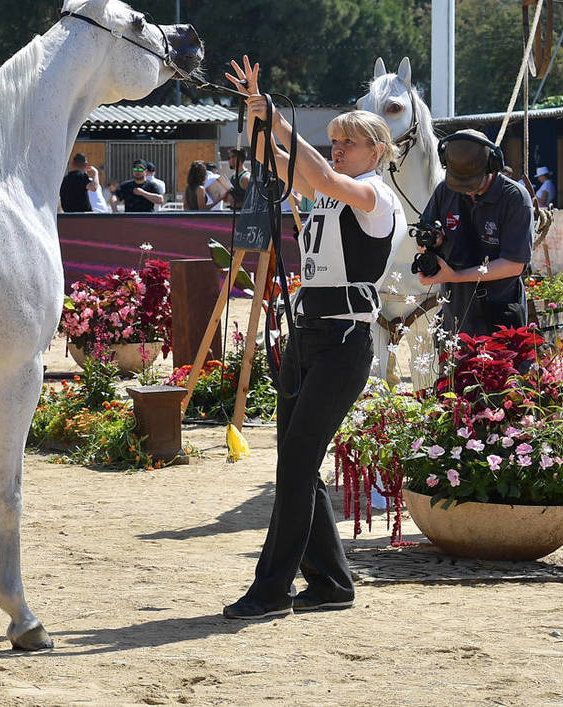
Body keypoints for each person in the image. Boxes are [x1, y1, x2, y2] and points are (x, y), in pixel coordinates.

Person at [220, 56, 401, 619]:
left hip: (345, 341)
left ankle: (272, 589)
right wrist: (255, 114)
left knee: (297, 463)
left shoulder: (374, 197)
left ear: (377, 151)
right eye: (334, 140)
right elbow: (276, 161)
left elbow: (319, 173)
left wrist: (276, 117)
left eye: (348, 141)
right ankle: (329, 583)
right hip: (306, 335)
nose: (339, 148)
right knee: (297, 463)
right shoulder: (329, 188)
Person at [416, 130, 535, 340]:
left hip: (499, 310)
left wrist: (457, 276)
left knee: (499, 371)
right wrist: (433, 243)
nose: (466, 190)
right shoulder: (445, 190)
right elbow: (425, 235)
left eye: (472, 183)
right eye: (459, 183)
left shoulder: (515, 198)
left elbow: (514, 264)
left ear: (492, 165)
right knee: (451, 372)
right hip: (454, 309)